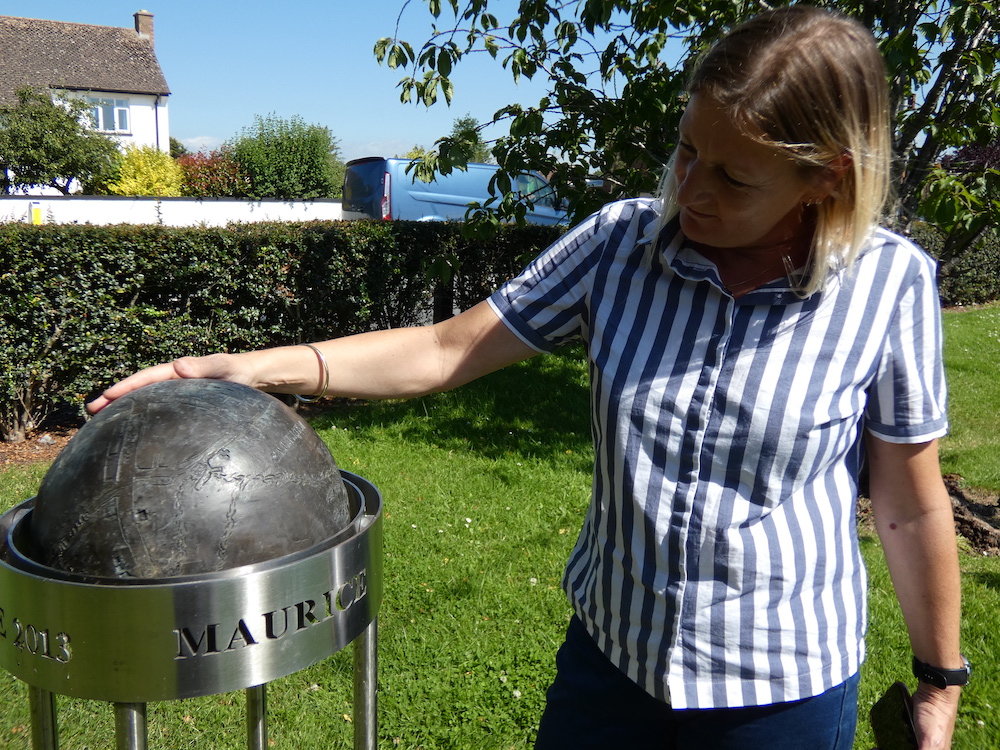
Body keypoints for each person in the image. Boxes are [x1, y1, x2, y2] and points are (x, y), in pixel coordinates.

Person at [88, 6, 966, 748]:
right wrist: (249, 369)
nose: (689, 189)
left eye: (734, 176)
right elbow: (442, 350)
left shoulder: (891, 287)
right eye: (686, 152)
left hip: (784, 695)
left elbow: (908, 502)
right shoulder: (619, 245)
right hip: (610, 671)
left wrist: (938, 678)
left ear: (824, 179)